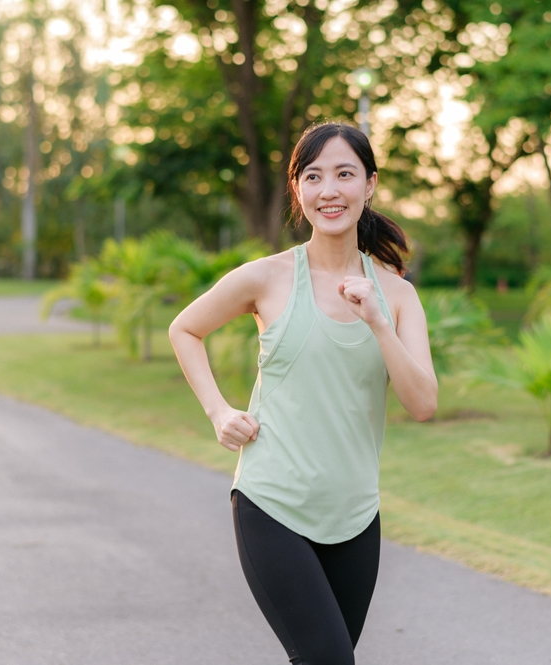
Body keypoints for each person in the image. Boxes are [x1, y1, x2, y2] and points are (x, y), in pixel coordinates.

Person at [169, 122, 437, 665]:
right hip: (272, 502)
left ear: (370, 184)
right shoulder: (265, 278)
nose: (329, 190)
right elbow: (185, 329)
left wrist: (380, 324)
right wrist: (218, 411)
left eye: (344, 174)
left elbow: (423, 403)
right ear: (299, 190)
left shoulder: (397, 296)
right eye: (313, 176)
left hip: (356, 514)